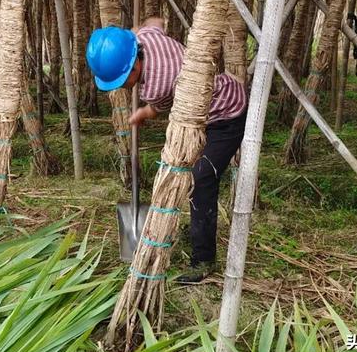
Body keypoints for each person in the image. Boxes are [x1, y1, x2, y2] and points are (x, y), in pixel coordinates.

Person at [86, 18, 247, 283]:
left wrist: (142, 114)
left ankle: (203, 260)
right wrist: (135, 32)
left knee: (201, 178)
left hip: (225, 114)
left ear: (136, 64)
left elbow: (157, 108)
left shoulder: (158, 84)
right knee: (195, 176)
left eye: (124, 79)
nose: (124, 86)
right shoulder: (147, 38)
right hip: (202, 113)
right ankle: (195, 230)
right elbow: (155, 21)